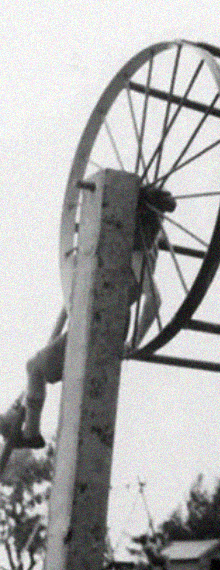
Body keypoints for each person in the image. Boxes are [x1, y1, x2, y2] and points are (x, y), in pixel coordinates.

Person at [0, 185, 174, 450]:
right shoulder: (137, 249)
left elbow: (154, 301)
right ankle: (19, 417)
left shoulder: (138, 253)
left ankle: (29, 431)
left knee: (35, 366)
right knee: (38, 368)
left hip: (105, 321)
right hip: (99, 316)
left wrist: (134, 342)